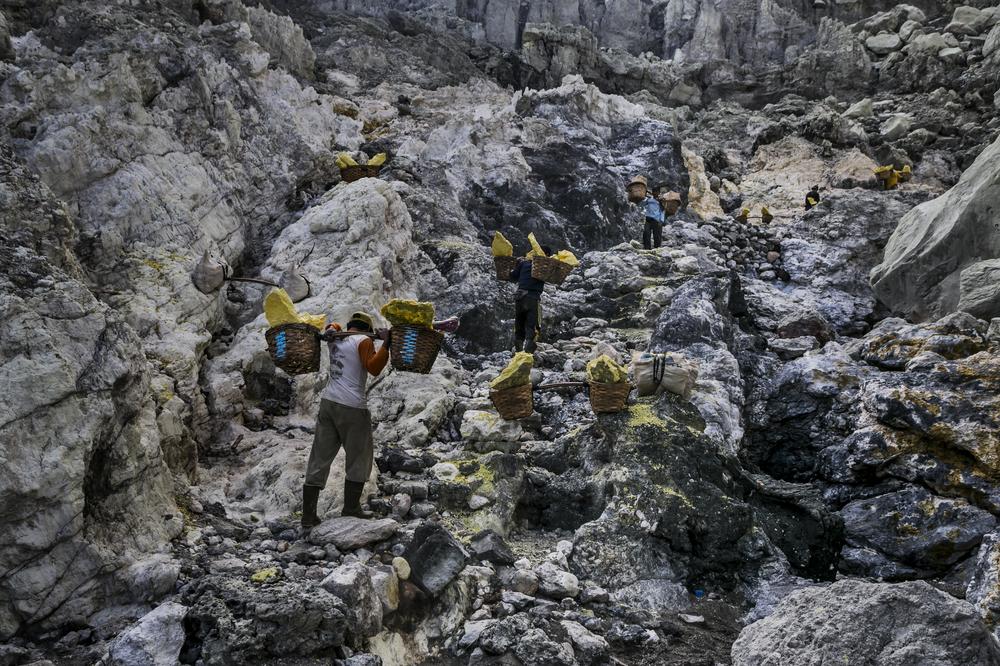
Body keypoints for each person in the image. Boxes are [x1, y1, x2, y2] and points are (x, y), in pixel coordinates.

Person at [301, 311, 390, 530]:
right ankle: (351, 508)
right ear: (367, 328)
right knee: (359, 456)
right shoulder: (364, 340)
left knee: (320, 456)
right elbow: (374, 368)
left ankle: (308, 516)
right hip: (352, 407)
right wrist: (386, 343)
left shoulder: (334, 339)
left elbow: (333, 327)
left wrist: (333, 327)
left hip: (328, 403)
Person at [508, 246, 552, 353]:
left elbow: (513, 276)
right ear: (546, 255)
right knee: (533, 325)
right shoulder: (544, 266)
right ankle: (528, 353)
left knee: (519, 324)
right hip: (532, 298)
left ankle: (518, 352)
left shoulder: (524, 263)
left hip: (519, 297)